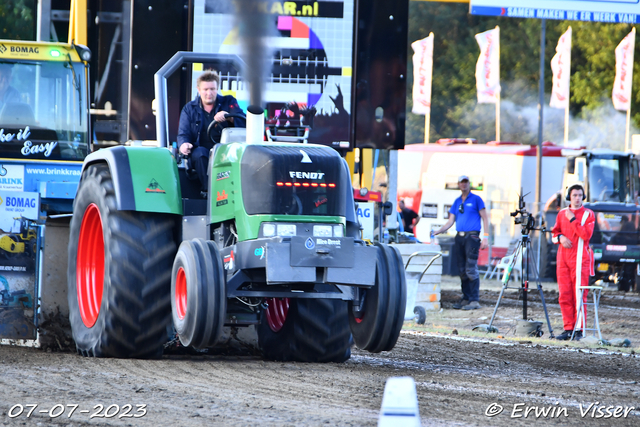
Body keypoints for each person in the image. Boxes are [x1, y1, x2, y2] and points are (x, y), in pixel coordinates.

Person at [177, 70, 245, 195]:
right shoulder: (189, 109)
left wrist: (229, 116)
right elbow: (183, 134)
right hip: (201, 152)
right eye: (205, 89)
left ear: (217, 88)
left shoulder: (228, 102)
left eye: (212, 89)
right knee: (201, 154)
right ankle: (211, 192)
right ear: (199, 90)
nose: (209, 93)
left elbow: (243, 120)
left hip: (226, 150)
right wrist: (184, 145)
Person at [432, 175, 489, 310]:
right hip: (459, 238)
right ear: (458, 184)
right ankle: (466, 298)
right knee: (462, 270)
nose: (464, 185)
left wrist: (485, 237)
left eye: (466, 182)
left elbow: (485, 218)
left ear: (469, 184)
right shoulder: (457, 201)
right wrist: (439, 231)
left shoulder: (476, 199)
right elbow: (450, 221)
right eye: (461, 182)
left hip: (472, 237)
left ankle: (474, 300)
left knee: (471, 269)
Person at [551, 183, 595, 341]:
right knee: (564, 295)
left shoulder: (588, 214)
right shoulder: (562, 213)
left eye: (579, 195)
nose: (577, 198)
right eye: (574, 195)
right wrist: (560, 238)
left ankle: (579, 329)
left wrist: (572, 219)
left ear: (583, 197)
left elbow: (585, 235)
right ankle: (568, 328)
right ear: (569, 197)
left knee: (579, 295)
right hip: (563, 259)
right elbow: (554, 233)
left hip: (580, 259)